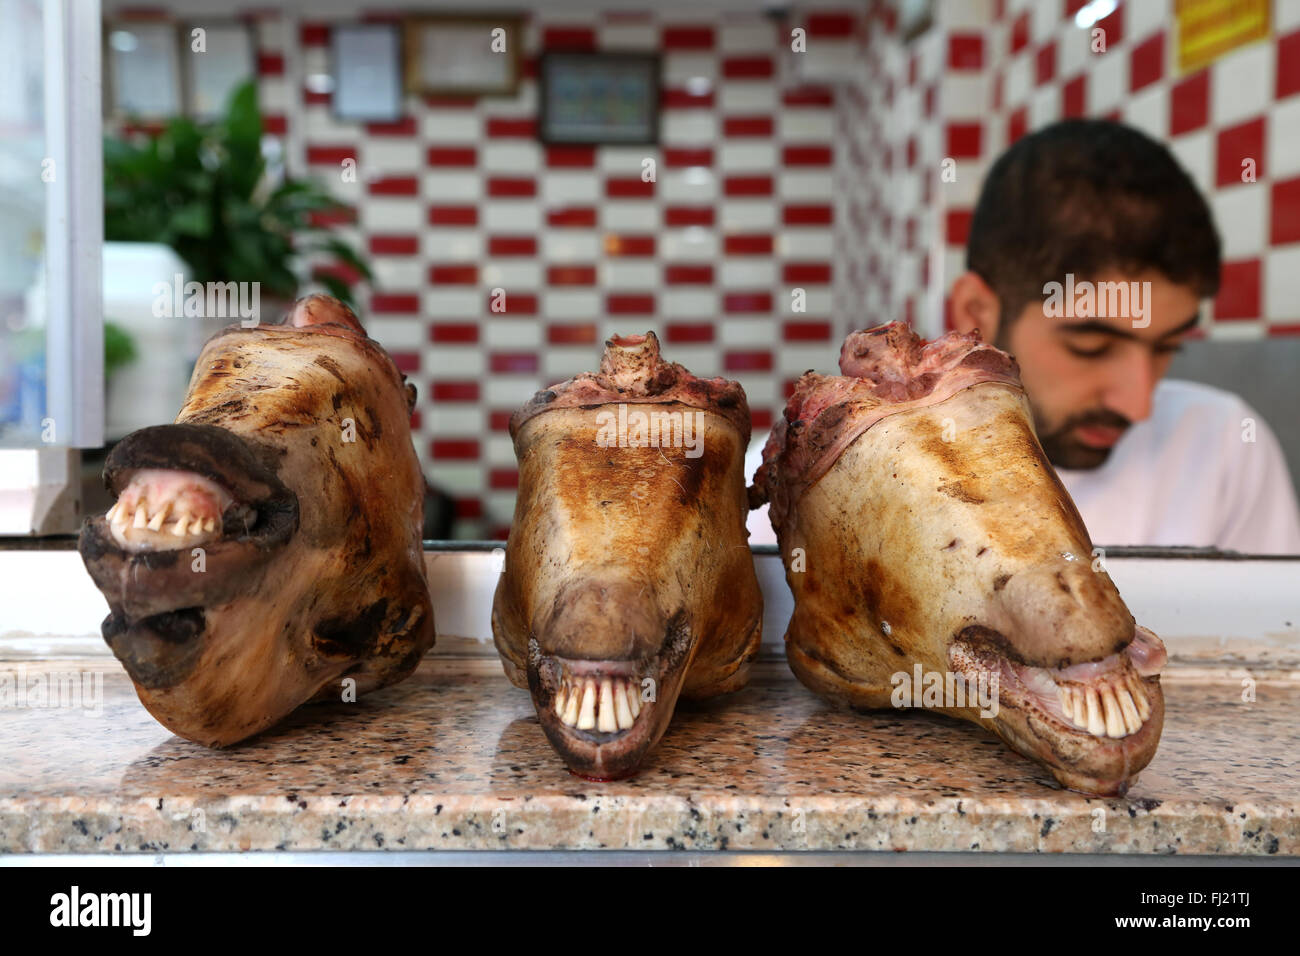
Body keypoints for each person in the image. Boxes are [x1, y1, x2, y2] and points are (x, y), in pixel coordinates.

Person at [747, 119, 1300, 553]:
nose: (1138, 402)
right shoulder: (820, 473)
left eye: (1166, 347)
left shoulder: (1224, 444)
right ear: (976, 314)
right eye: (1090, 346)